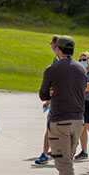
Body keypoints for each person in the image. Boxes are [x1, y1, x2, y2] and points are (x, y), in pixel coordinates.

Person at [39, 35, 86, 175]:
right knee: (66, 160)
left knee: (63, 163)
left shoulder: (52, 69)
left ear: (58, 49)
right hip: (78, 120)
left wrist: (52, 93)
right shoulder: (81, 69)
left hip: (60, 120)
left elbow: (44, 95)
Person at [35, 35, 60, 165]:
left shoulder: (59, 62)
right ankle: (45, 152)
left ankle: (46, 153)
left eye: (52, 43)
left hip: (61, 102)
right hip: (55, 100)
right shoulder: (56, 60)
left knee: (51, 128)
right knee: (50, 128)